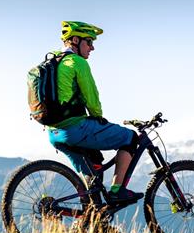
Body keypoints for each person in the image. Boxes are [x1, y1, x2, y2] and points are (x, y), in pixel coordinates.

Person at [47, 21, 143, 203]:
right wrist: (98, 118)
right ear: (75, 40)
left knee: (94, 168)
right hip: (75, 128)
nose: (92, 48)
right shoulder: (77, 62)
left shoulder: (55, 61)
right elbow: (92, 99)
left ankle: (95, 218)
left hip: (55, 133)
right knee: (130, 138)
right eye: (89, 42)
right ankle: (117, 191)